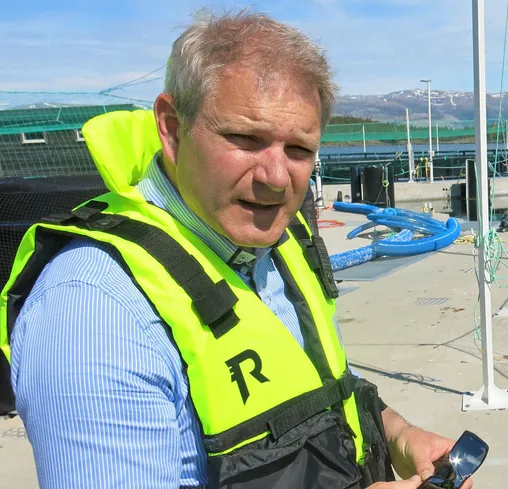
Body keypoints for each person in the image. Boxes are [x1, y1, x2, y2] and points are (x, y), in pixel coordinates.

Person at [0, 10, 468, 489]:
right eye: (245, 138)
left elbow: (326, 389)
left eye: (299, 150)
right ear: (172, 127)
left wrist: (399, 434)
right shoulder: (95, 312)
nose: (275, 177)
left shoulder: (280, 246)